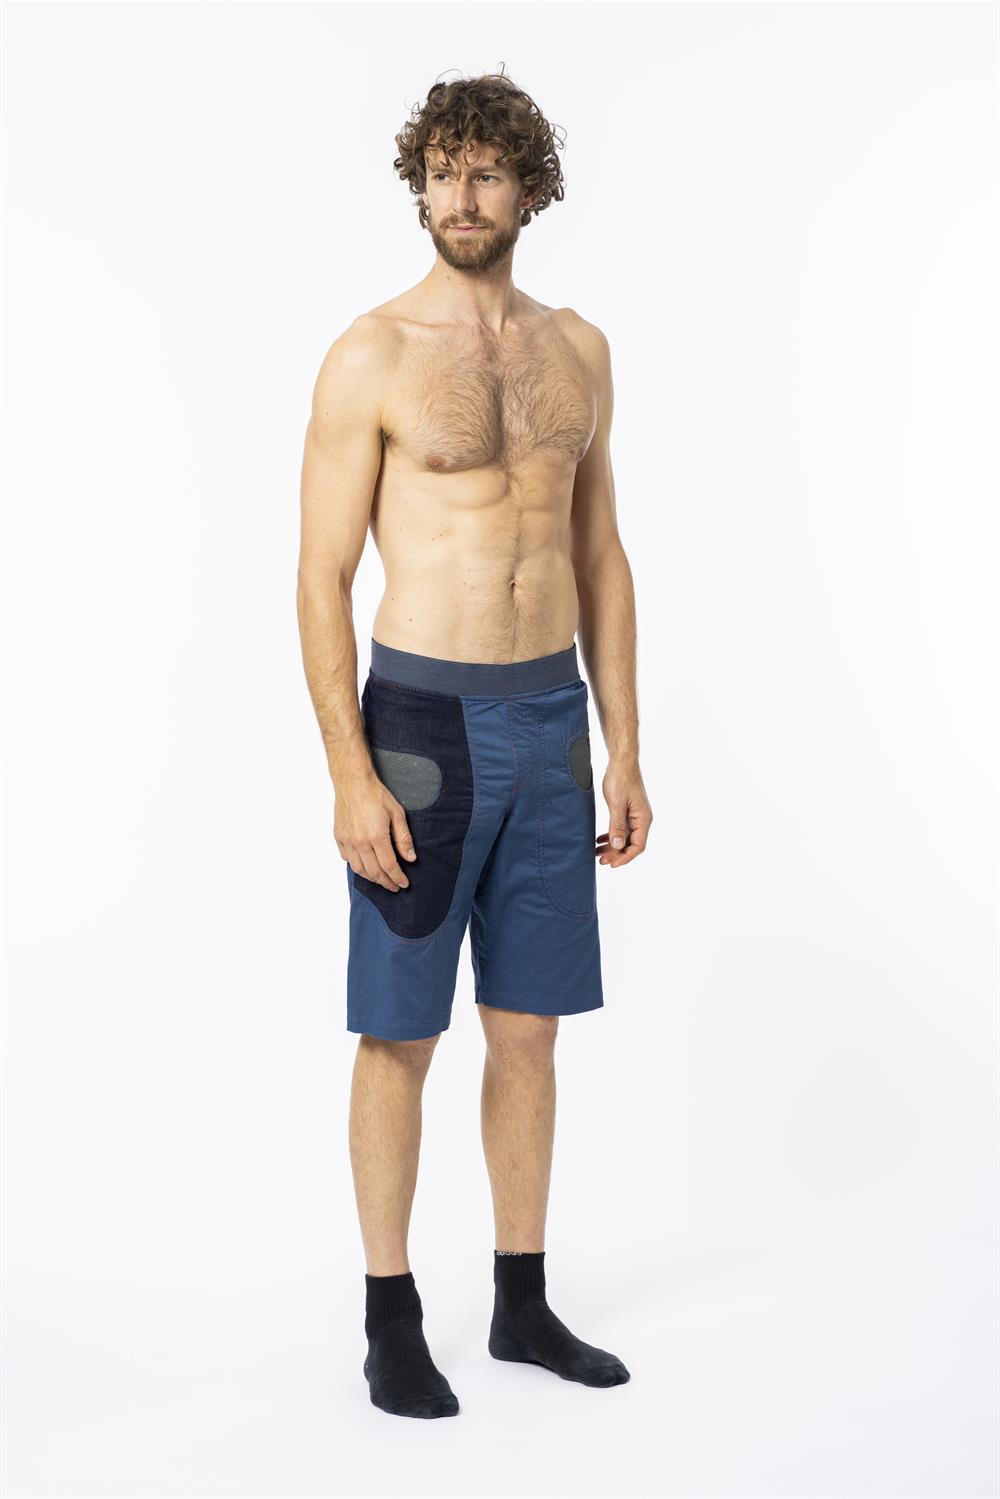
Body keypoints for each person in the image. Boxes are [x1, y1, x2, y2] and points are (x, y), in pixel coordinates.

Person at [296, 70, 652, 1419]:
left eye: (485, 172)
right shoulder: (371, 354)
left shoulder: (580, 351)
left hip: (552, 723)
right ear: (419, 184)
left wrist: (625, 745)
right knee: (401, 1032)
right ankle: (390, 1319)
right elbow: (321, 574)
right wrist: (349, 772)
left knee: (529, 1032)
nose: (460, 195)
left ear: (528, 189)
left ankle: (520, 1302)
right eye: (441, 171)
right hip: (422, 729)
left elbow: (601, 556)